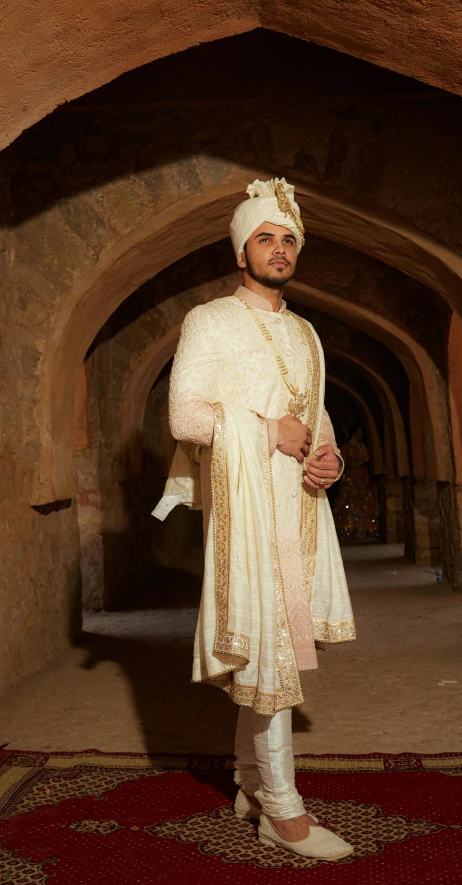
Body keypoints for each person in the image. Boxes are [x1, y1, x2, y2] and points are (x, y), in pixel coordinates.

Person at [153, 178, 356, 860]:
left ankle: (248, 782)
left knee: (282, 648)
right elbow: (183, 416)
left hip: (298, 508)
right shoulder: (210, 320)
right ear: (242, 250)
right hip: (247, 513)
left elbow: (317, 418)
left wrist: (329, 460)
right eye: (266, 238)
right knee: (269, 653)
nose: (280, 249)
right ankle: (284, 812)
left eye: (289, 238)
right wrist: (267, 431)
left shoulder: (304, 330)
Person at [333, 427, 380, 540]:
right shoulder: (346, 447)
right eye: (358, 433)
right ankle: (347, 529)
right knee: (349, 503)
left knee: (364, 503)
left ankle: (366, 529)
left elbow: (366, 459)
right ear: (353, 433)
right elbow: (344, 462)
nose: (360, 435)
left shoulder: (362, 446)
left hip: (361, 477)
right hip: (350, 477)